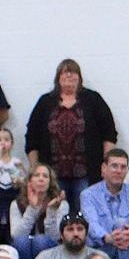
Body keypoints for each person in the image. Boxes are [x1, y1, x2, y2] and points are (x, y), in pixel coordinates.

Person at [24, 61, 116, 208]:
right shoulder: (45, 102)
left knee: (85, 215)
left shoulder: (93, 100)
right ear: (57, 78)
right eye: (64, 72)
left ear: (79, 77)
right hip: (53, 175)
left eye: (73, 72)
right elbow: (31, 138)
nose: (68, 75)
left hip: (87, 174)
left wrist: (106, 164)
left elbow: (109, 133)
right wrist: (36, 171)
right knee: (56, 215)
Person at [11, 165, 64, 259]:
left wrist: (51, 212)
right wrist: (32, 209)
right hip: (24, 247)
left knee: (40, 240)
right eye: (37, 175)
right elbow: (16, 235)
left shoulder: (61, 204)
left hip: (49, 247)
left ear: (50, 182)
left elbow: (55, 237)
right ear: (29, 181)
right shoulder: (16, 204)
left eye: (45, 176)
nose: (41, 179)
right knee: (21, 242)